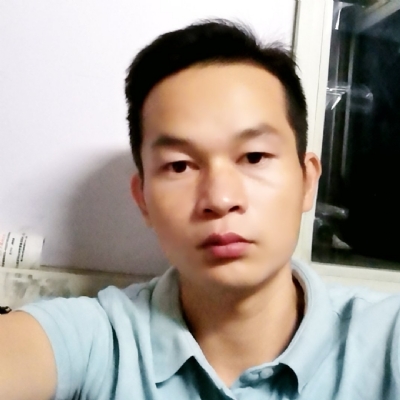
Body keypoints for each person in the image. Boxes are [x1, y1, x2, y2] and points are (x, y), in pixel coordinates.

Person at [1, 19, 400, 400]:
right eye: (179, 166)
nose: (221, 199)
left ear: (307, 181)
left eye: (254, 156)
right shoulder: (98, 342)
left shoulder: (385, 341)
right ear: (143, 200)